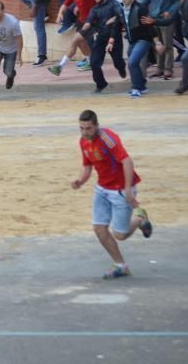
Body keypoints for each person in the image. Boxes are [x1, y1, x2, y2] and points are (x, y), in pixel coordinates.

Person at [71, 110, 153, 279]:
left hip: (120, 190)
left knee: (120, 234)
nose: (85, 132)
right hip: (102, 189)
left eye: (89, 128)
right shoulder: (83, 142)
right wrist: (80, 180)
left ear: (96, 126)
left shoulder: (108, 139)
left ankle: (139, 220)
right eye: (82, 128)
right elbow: (87, 166)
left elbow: (127, 161)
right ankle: (120, 265)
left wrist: (128, 189)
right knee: (99, 228)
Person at [117, 0, 159, 98]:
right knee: (132, 63)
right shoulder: (121, 9)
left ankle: (136, 88)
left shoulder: (140, 9)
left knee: (132, 62)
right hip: (132, 40)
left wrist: (157, 41)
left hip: (144, 39)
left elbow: (149, 25)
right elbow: (117, 24)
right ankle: (142, 86)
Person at [147, 0, 177, 80]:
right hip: (153, 17)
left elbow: (177, 1)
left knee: (168, 45)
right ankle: (159, 68)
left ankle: (168, 69)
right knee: (157, 44)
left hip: (166, 19)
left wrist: (170, 11)